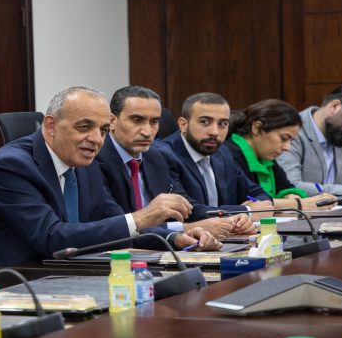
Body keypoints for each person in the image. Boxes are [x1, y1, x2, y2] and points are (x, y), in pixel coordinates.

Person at [0, 87, 220, 267]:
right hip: (5, 282)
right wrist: (142, 217)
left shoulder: (84, 163)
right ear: (51, 126)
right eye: (84, 127)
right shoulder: (9, 167)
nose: (96, 139)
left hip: (63, 273)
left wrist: (174, 238)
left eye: (103, 130)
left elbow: (115, 221)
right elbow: (52, 238)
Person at [97, 86, 254, 239]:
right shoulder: (97, 159)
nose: (147, 132)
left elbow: (185, 207)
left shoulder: (154, 157)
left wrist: (230, 219)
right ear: (112, 121)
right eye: (137, 120)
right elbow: (122, 225)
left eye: (154, 122)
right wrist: (185, 230)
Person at [154, 92, 274, 219]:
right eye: (205, 122)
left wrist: (260, 205)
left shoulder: (222, 152)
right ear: (183, 124)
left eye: (222, 124)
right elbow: (187, 210)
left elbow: (258, 193)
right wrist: (247, 210)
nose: (215, 132)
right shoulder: (161, 155)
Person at [226, 99, 337, 210]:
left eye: (291, 141)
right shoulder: (228, 155)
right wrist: (300, 204)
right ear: (257, 128)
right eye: (284, 138)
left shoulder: (266, 158)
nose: (287, 147)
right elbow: (247, 201)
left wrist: (291, 196)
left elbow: (285, 187)